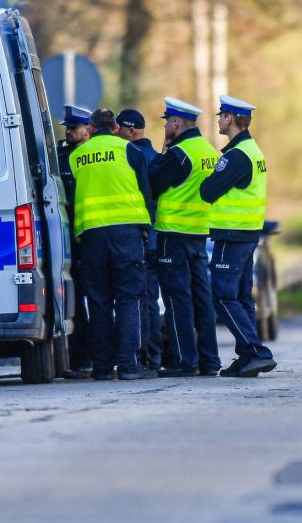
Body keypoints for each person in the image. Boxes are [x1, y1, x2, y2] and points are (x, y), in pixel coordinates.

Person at [70, 108, 154, 380]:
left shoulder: (76, 157)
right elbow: (145, 190)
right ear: (116, 128)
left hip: (92, 236)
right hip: (127, 234)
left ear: (91, 129)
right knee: (128, 299)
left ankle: (102, 367)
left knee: (98, 302)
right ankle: (129, 366)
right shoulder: (130, 151)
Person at [199, 96, 277, 377]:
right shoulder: (253, 151)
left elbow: (208, 191)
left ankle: (256, 351)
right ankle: (247, 358)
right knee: (242, 297)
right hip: (245, 234)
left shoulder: (236, 156)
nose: (218, 119)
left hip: (230, 235)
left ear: (230, 119)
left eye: (221, 115)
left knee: (222, 296)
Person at [148, 98, 221, 377]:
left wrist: (164, 150)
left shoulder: (179, 154)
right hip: (199, 233)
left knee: (178, 299)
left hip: (173, 234)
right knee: (202, 299)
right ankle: (209, 360)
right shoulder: (209, 151)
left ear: (176, 124)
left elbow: (153, 183)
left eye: (168, 122)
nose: (166, 125)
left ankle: (184, 361)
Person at [117, 108, 164, 371]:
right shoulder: (154, 156)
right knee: (149, 300)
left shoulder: (133, 156)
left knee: (143, 302)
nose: (116, 134)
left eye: (120, 129)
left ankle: (147, 358)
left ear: (131, 131)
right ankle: (153, 357)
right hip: (154, 237)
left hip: (143, 239)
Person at [57, 105, 93, 378]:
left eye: (73, 127)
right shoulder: (60, 157)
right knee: (75, 301)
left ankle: (95, 356)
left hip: (90, 235)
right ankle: (80, 357)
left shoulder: (91, 158)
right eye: (67, 127)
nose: (68, 132)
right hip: (69, 237)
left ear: (88, 130)